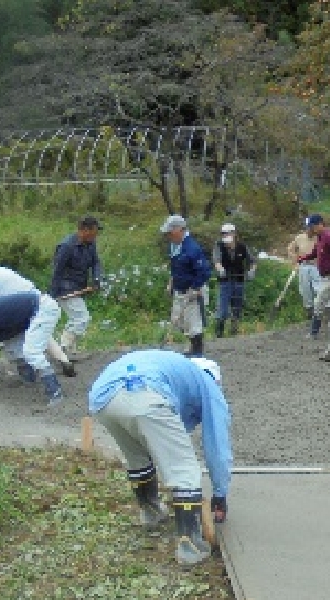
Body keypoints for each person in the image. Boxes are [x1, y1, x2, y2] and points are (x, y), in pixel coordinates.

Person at [87, 350, 232, 566]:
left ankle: (151, 512)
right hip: (144, 392)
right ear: (215, 379)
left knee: (137, 456)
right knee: (183, 468)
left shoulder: (173, 367)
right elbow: (217, 445)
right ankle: (190, 547)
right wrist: (220, 492)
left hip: (103, 397)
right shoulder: (207, 383)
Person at [51, 215, 103, 356]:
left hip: (79, 287)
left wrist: (97, 278)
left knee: (77, 319)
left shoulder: (90, 244)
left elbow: (96, 262)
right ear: (85, 230)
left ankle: (69, 351)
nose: (96, 234)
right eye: (95, 231)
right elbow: (57, 270)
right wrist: (53, 295)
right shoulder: (66, 246)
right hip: (65, 289)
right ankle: (64, 348)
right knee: (81, 318)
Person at [160, 215, 212, 357]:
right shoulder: (175, 246)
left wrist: (195, 288)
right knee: (178, 320)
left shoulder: (192, 248)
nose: (168, 235)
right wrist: (171, 282)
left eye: (170, 232)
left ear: (179, 229)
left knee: (194, 323)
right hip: (179, 288)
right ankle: (192, 346)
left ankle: (197, 352)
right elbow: (175, 267)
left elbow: (205, 271)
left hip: (193, 290)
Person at [297, 214, 330, 339]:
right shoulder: (320, 238)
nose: (312, 229)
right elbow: (315, 252)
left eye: (313, 226)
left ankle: (314, 331)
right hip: (328, 275)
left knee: (319, 301)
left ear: (320, 224)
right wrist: (304, 258)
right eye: (311, 227)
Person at [212, 223, 254, 337]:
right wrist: (220, 269)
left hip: (239, 279)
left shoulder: (242, 246)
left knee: (237, 307)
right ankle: (219, 332)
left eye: (228, 233)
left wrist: (251, 270)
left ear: (234, 234)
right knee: (223, 308)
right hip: (225, 280)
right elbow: (216, 260)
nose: (226, 235)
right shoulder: (219, 245)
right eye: (223, 233)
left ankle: (234, 331)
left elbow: (252, 261)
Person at [287, 217, 319, 320]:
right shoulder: (299, 238)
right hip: (304, 267)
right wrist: (295, 260)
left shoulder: (319, 238)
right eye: (308, 227)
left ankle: (321, 313)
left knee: (319, 290)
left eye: (311, 227)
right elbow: (290, 249)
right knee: (305, 291)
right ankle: (310, 313)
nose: (309, 230)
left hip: (317, 267)